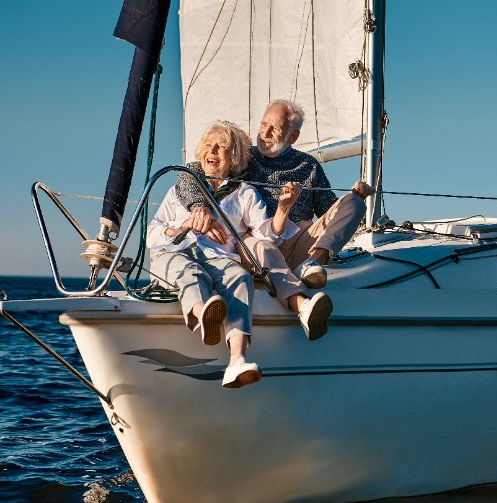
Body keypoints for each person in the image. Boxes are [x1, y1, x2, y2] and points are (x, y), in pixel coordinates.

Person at [148, 121, 333, 388]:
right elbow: (153, 234)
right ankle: (203, 314)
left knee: (239, 278)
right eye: (208, 146)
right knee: (191, 272)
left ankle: (237, 361)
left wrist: (283, 208)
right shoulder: (180, 189)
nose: (213, 151)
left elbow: (266, 234)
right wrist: (184, 226)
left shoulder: (243, 193)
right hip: (174, 252)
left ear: (233, 157)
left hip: (218, 257)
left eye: (222, 147)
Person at [174, 100, 375, 325]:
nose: (265, 133)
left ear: (293, 137)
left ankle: (313, 265)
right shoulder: (245, 157)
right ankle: (300, 302)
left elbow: (330, 211)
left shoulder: (308, 165)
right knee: (259, 243)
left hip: (299, 243)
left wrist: (356, 196)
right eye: (263, 124)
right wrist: (199, 206)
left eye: (275, 128)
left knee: (354, 204)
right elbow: (189, 171)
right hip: (254, 243)